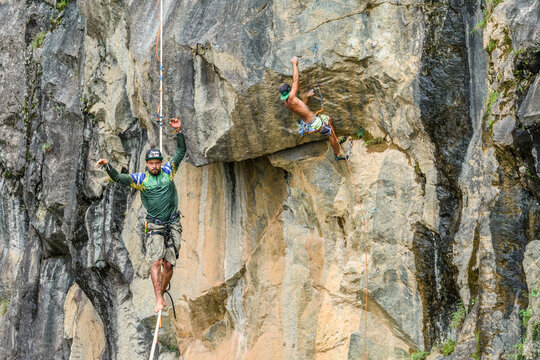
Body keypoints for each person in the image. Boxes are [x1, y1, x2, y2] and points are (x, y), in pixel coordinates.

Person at [95, 116, 185, 312]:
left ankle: (161, 291)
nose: (154, 166)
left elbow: (181, 151)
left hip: (173, 222)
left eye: (157, 163)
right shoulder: (141, 179)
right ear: (146, 163)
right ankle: (159, 299)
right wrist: (108, 166)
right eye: (151, 163)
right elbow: (119, 178)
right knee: (156, 261)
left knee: (169, 265)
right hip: (154, 226)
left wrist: (178, 131)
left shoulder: (168, 171)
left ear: (161, 163)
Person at [279, 56, 347, 160]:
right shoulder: (292, 96)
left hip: (309, 121)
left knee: (329, 119)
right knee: (330, 135)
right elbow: (295, 80)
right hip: (314, 122)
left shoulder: (287, 103)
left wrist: (307, 96)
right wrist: (294, 64)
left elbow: (301, 106)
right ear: (289, 91)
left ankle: (337, 140)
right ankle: (337, 154)